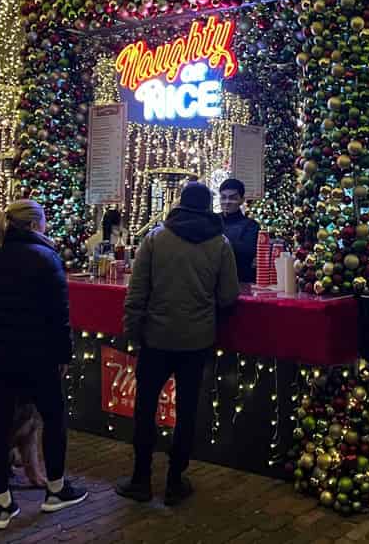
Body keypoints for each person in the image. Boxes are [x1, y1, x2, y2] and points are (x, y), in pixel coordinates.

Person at [0, 200, 86, 530]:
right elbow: (58, 316)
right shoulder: (47, 258)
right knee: (53, 419)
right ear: (35, 226)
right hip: (37, 354)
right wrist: (63, 355)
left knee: (0, 423)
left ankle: (2, 504)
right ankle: (56, 489)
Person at [117, 182, 240, 505]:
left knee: (145, 409)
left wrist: (132, 332)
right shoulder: (220, 243)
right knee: (187, 411)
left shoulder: (156, 238)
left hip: (155, 338)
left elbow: (137, 293)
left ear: (180, 203)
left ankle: (141, 479)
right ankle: (175, 481)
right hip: (196, 341)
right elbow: (228, 295)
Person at [219, 178, 260, 284]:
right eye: (223, 197)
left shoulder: (251, 226)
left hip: (240, 281)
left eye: (232, 198)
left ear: (241, 200)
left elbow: (245, 253)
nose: (227, 202)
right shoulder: (212, 221)